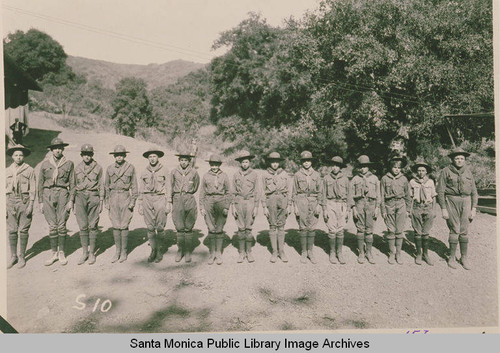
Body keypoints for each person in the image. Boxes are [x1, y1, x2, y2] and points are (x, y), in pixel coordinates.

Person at [437, 147, 478, 270]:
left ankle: (464, 257)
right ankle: (452, 257)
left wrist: (474, 208)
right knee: (454, 229)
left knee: (464, 230)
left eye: (462, 159)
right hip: (451, 201)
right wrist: (443, 208)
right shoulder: (446, 171)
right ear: (452, 159)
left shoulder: (468, 172)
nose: (459, 161)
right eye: (457, 158)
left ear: (465, 160)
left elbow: (474, 192)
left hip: (466, 201)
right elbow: (440, 191)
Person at [39, 137, 75, 266]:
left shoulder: (69, 163)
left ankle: (62, 252)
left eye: (60, 148)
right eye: (55, 148)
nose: (58, 150)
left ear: (63, 149)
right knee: (52, 225)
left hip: (62, 194)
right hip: (47, 194)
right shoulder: (45, 164)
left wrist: (71, 200)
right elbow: (40, 183)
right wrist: (40, 202)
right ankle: (54, 253)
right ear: (51, 150)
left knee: (61, 224)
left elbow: (72, 183)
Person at [104, 145, 138, 263]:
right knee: (115, 224)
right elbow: (106, 186)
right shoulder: (109, 168)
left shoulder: (130, 168)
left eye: (121, 155)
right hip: (113, 197)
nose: (119, 157)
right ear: (114, 156)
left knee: (124, 224)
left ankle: (124, 251)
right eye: (117, 155)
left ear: (124, 156)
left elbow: (134, 186)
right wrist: (106, 201)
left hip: (125, 197)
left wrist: (133, 201)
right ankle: (117, 251)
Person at [138, 148, 171, 263]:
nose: (152, 159)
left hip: (159, 198)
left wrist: (168, 203)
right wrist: (140, 204)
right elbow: (141, 189)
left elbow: (168, 187)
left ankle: (160, 250)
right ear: (148, 158)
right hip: (147, 199)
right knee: (150, 227)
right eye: (150, 157)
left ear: (158, 157)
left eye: (154, 156)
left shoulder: (164, 170)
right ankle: (153, 250)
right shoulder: (144, 172)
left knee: (160, 226)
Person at [6, 145, 36, 269]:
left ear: (24, 157)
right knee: (12, 229)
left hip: (24, 202)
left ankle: (22, 256)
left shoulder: (29, 170)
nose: (18, 157)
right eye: (16, 155)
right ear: (12, 156)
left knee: (23, 229)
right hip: (10, 202)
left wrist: (31, 205)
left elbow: (33, 189)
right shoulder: (7, 171)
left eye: (21, 155)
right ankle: (13, 256)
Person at [74, 144, 104, 265]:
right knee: (82, 225)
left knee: (93, 225)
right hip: (80, 196)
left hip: (93, 196)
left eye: (89, 154)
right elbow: (73, 184)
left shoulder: (98, 168)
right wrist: (72, 201)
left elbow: (101, 184)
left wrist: (101, 200)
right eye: (85, 154)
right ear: (81, 155)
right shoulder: (77, 168)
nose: (87, 157)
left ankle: (92, 253)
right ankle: (84, 252)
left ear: (92, 155)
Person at [200, 154, 232, 265]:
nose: (214, 167)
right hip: (209, 201)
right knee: (210, 227)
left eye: (216, 165)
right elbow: (202, 192)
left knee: (219, 227)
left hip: (221, 201)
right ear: (210, 165)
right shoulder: (205, 176)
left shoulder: (224, 176)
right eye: (212, 165)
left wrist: (227, 206)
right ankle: (212, 252)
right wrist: (202, 207)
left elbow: (228, 192)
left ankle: (218, 253)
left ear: (219, 165)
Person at [292, 151, 323, 264]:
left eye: (308, 160)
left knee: (312, 227)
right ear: (301, 162)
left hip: (314, 201)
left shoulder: (317, 175)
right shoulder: (297, 175)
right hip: (301, 201)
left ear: (311, 161)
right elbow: (294, 192)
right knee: (303, 226)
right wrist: (295, 206)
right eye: (304, 161)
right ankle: (304, 252)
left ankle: (310, 251)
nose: (306, 163)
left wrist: (319, 204)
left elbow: (320, 191)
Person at [261, 152, 292, 263]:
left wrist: (289, 205)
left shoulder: (285, 174)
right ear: (269, 162)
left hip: (282, 200)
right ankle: (274, 251)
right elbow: (262, 191)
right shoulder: (265, 175)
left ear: (279, 163)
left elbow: (289, 190)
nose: (275, 164)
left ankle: (281, 251)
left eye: (277, 162)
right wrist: (264, 206)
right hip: (271, 200)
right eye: (272, 162)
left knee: (281, 226)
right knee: (273, 225)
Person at [349, 155, 380, 264]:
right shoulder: (355, 179)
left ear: (369, 167)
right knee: (360, 229)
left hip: (371, 204)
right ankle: (361, 252)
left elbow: (378, 194)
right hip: (359, 204)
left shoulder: (375, 178)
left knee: (369, 229)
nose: (363, 169)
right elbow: (350, 195)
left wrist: (377, 207)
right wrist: (353, 208)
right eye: (361, 166)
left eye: (365, 166)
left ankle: (369, 252)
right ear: (358, 167)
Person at [171, 150, 200, 263]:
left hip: (189, 199)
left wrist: (189, 192)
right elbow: (171, 185)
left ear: (189, 161)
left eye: (186, 160)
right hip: (177, 198)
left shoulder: (194, 172)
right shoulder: (174, 172)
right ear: (179, 160)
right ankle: (180, 251)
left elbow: (196, 185)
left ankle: (187, 251)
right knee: (179, 226)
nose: (183, 162)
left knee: (188, 226)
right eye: (182, 160)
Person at [380, 157, 411, 265]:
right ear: (391, 167)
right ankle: (391, 253)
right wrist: (383, 210)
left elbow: (408, 195)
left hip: (401, 204)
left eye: (399, 168)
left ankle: (398, 253)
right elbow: (381, 196)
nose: (396, 169)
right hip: (389, 205)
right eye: (394, 167)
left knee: (399, 230)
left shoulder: (404, 179)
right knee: (391, 230)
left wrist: (408, 209)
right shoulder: (384, 179)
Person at [231, 150, 260, 263]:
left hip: (250, 202)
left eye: (246, 162)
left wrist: (256, 207)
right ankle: (241, 252)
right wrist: (233, 206)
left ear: (250, 162)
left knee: (248, 228)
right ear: (240, 163)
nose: (244, 164)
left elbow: (257, 191)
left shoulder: (254, 175)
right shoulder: (236, 175)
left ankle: (249, 252)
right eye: (243, 162)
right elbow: (233, 191)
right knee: (240, 228)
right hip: (239, 202)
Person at [409, 159, 436, 266]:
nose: (421, 172)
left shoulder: (430, 182)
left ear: (426, 172)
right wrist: (409, 210)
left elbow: (434, 196)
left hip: (428, 207)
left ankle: (426, 254)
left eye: (423, 170)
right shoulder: (412, 182)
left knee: (426, 232)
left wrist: (433, 210)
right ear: (416, 171)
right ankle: (419, 254)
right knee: (417, 232)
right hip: (417, 207)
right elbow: (409, 197)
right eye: (419, 170)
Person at [322, 156, 350, 264]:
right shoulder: (326, 178)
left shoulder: (345, 179)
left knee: (340, 229)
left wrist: (348, 209)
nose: (335, 168)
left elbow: (349, 194)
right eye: (333, 165)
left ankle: (340, 252)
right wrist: (324, 209)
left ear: (340, 167)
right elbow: (323, 194)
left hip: (341, 204)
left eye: (337, 166)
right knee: (332, 228)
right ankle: (332, 252)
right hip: (330, 203)